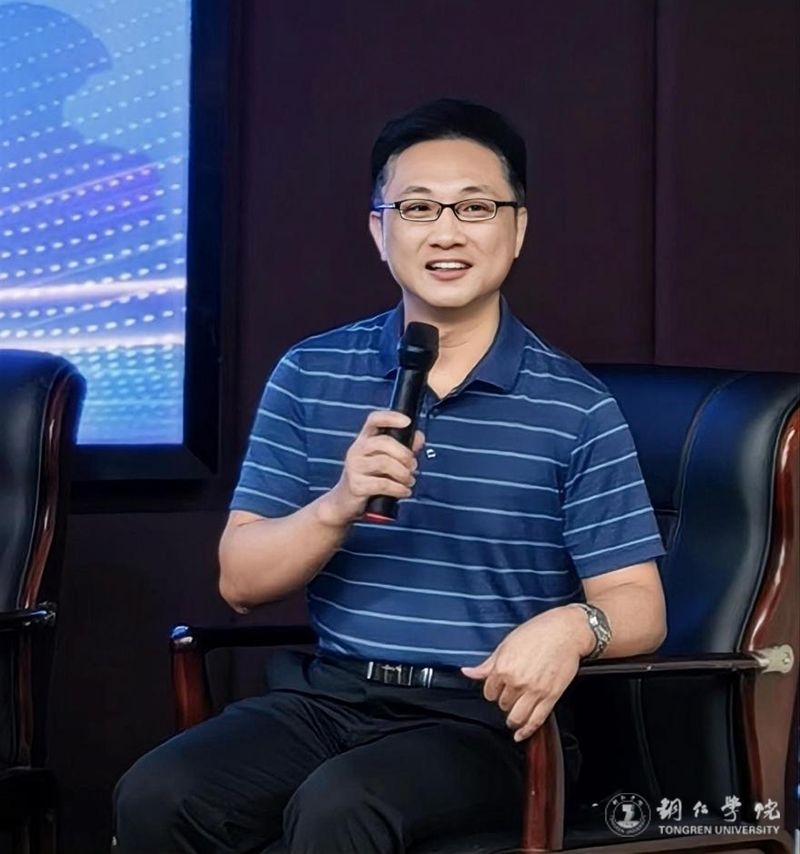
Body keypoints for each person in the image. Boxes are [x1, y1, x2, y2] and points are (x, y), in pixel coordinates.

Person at [113, 98, 667, 854]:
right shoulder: (311, 373)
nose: (446, 232)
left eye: (475, 207)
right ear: (380, 231)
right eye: (417, 208)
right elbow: (240, 582)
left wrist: (572, 626)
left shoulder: (576, 406)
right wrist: (337, 504)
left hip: (487, 722)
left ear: (517, 230)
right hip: (329, 696)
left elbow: (640, 605)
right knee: (159, 792)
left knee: (344, 807)